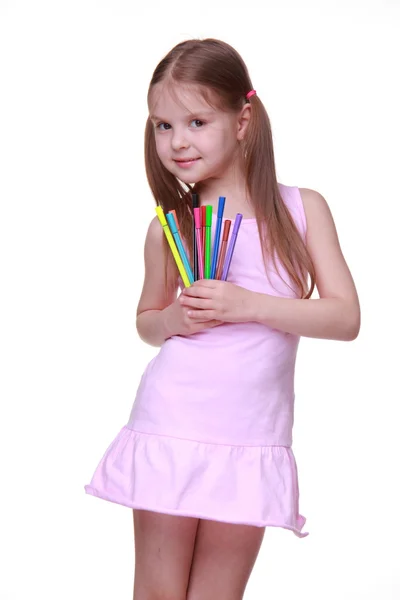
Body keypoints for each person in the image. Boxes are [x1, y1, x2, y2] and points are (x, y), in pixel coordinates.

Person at [84, 38, 360, 600]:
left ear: (243, 118)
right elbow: (146, 320)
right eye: (162, 125)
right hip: (172, 421)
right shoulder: (172, 225)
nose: (178, 141)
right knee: (158, 593)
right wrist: (173, 321)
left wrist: (250, 305)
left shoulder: (302, 210)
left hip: (250, 437)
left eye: (196, 120)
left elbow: (345, 317)